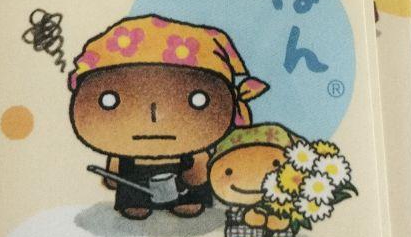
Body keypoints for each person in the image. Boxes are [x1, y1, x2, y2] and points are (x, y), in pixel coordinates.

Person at [68, 16, 267, 220]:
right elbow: (116, 168)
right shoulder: (124, 149)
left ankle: (186, 200)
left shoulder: (192, 147)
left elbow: (200, 168)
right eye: (110, 100)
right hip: (135, 178)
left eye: (197, 100)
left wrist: (198, 171)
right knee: (133, 193)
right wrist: (114, 174)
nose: (153, 115)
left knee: (189, 192)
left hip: (183, 177)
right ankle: (135, 202)